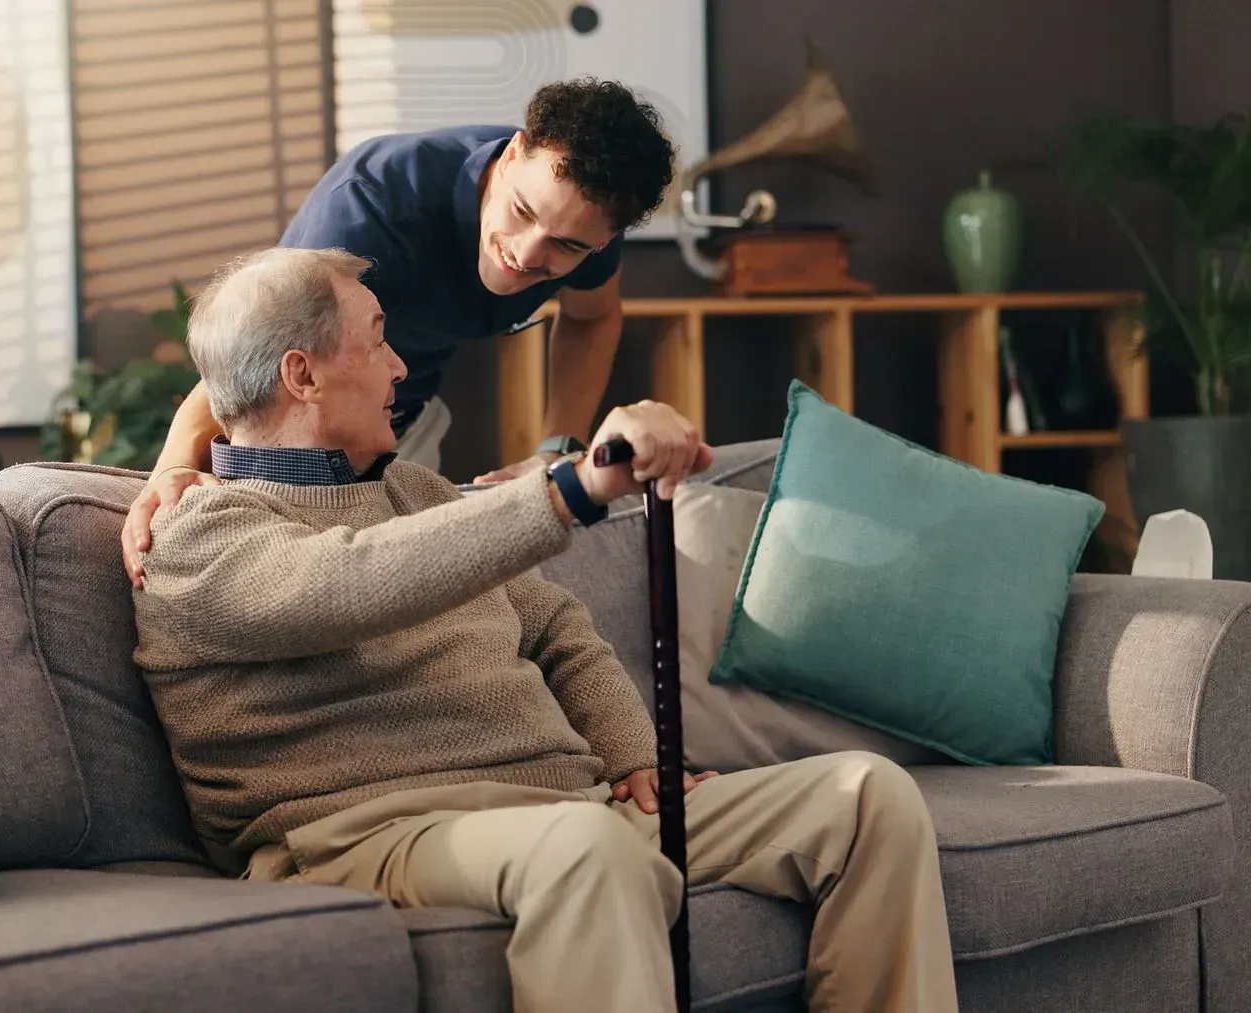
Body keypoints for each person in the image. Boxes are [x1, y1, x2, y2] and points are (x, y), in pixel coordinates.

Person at [129, 246, 959, 1013]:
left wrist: (634, 752)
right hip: (363, 834)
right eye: (378, 342)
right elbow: (350, 581)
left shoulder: (416, 492)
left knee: (864, 796)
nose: (400, 367)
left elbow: (557, 625)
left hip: (563, 805)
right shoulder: (197, 534)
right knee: (584, 845)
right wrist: (571, 488)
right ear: (301, 374)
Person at [120, 77, 677, 588]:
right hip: (291, 430)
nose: (527, 255)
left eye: (568, 246)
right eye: (523, 211)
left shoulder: (591, 218)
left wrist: (553, 450)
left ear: (602, 241)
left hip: (403, 424)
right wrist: (168, 473)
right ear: (511, 157)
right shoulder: (371, 207)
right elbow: (254, 364)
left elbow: (591, 318)